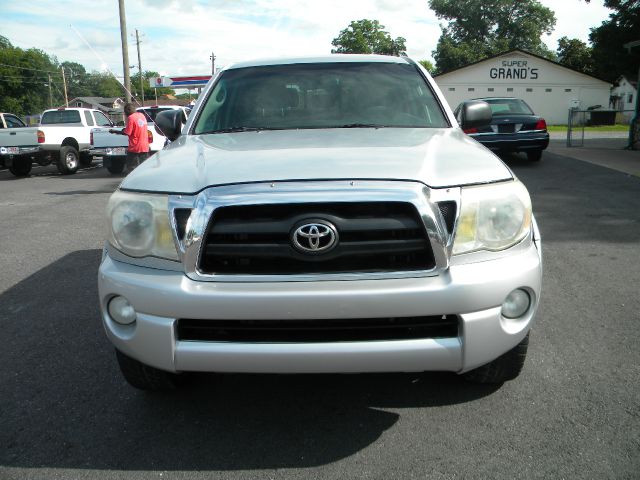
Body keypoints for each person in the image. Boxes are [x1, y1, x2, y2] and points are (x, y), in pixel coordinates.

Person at [109, 103, 149, 172]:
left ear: (127, 111)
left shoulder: (131, 118)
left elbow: (127, 132)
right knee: (144, 167)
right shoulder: (142, 115)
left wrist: (114, 131)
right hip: (145, 146)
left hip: (135, 147)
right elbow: (136, 128)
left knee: (132, 168)